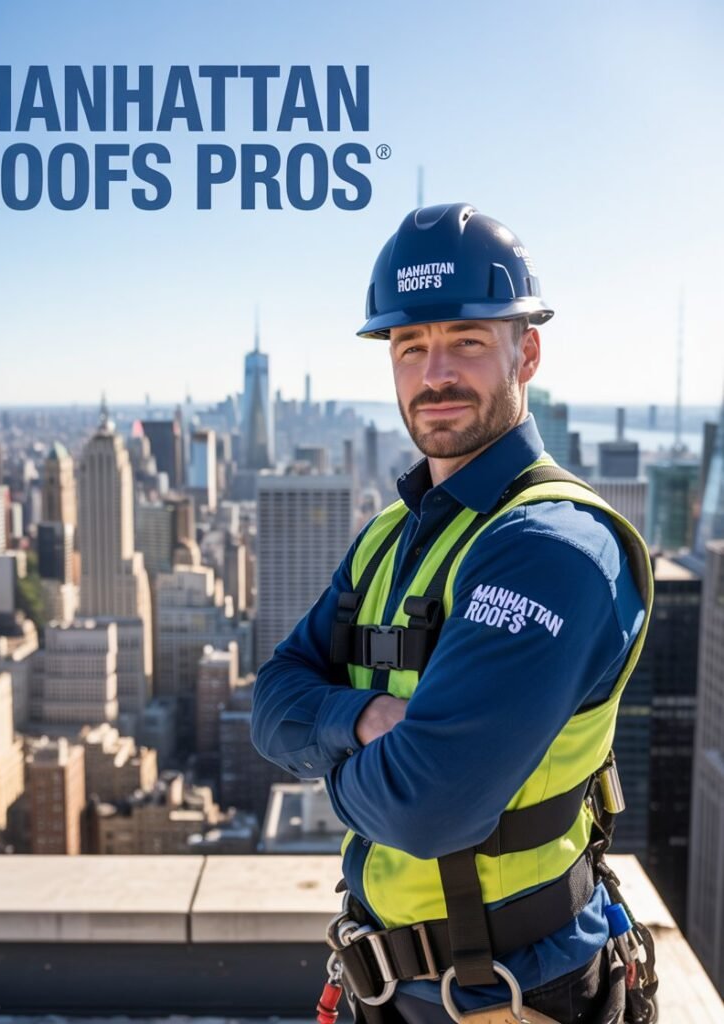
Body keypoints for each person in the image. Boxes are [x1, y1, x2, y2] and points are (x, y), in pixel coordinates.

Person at [251, 203, 656, 1024]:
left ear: (526, 351)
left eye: (466, 342)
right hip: (385, 986)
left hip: (510, 993)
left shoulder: (552, 548)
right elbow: (269, 704)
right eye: (410, 346)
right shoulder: (391, 537)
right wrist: (367, 717)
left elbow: (426, 808)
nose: (434, 373)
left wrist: (325, 751)